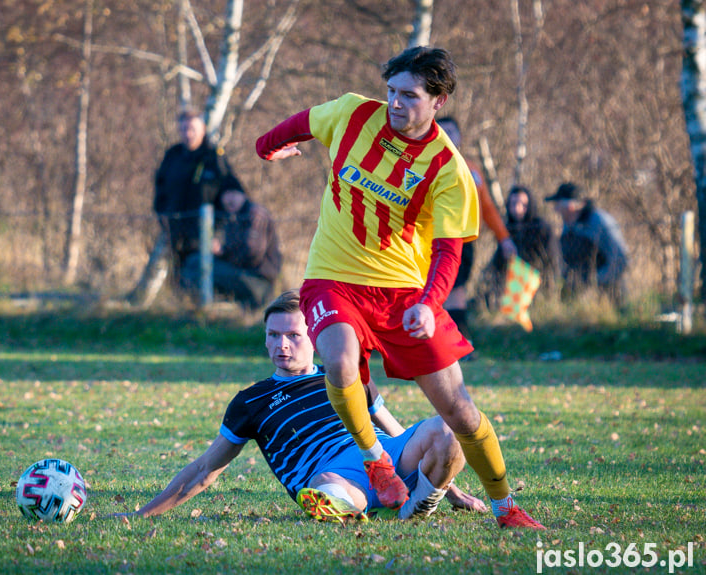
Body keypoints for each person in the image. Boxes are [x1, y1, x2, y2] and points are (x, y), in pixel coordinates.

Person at [256, 46, 544, 529]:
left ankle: (505, 508)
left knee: (461, 412)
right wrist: (268, 147)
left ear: (439, 101)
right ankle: (376, 463)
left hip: (404, 296)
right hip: (334, 278)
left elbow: (449, 253)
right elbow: (295, 124)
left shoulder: (449, 171)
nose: (394, 103)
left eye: (408, 95)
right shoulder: (351, 113)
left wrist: (430, 305)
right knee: (342, 362)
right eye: (390, 91)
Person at [129, 289, 487, 522]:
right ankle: (356, 506)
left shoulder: (346, 372)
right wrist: (143, 513)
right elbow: (206, 468)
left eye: (293, 335)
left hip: (386, 455)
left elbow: (391, 424)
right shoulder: (251, 401)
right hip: (335, 474)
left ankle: (417, 505)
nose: (282, 345)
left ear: (314, 337)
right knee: (325, 492)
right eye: (273, 335)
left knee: (447, 431)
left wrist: (451, 488)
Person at [127, 108, 234, 306]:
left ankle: (204, 312)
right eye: (184, 129)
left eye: (192, 129)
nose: (188, 134)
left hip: (205, 235)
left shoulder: (214, 157)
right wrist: (163, 217)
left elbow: (231, 196)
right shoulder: (173, 155)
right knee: (176, 277)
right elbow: (160, 190)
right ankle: (179, 311)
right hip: (174, 232)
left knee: (200, 276)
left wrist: (218, 234)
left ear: (202, 129)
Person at [435, 117, 517, 345]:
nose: (448, 134)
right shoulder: (429, 163)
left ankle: (456, 342)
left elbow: (488, 207)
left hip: (466, 240)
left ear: (460, 136)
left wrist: (504, 238)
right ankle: (452, 343)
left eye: (452, 130)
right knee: (445, 292)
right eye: (443, 130)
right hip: (436, 240)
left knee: (458, 290)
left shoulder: (471, 168)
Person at [180, 174, 282, 309]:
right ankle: (201, 306)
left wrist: (223, 252)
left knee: (198, 268)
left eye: (233, 193)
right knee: (194, 261)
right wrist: (221, 251)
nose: (229, 199)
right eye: (225, 195)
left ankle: (203, 307)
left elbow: (252, 255)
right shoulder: (233, 218)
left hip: (258, 281)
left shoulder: (255, 214)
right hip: (244, 276)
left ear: (243, 194)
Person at [545, 182, 628, 305]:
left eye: (558, 204)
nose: (555, 209)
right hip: (577, 298)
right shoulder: (568, 225)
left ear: (571, 206)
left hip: (609, 297)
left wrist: (594, 284)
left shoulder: (600, 222)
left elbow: (620, 260)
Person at [482, 185, 561, 309]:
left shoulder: (541, 229)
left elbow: (552, 262)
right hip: (509, 288)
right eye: (513, 204)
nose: (517, 209)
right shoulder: (506, 231)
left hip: (537, 286)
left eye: (523, 204)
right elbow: (497, 265)